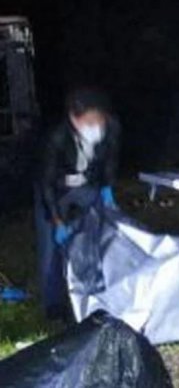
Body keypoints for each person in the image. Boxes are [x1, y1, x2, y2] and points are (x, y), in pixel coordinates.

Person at [34, 87, 120, 319]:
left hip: (87, 186)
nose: (96, 126)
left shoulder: (110, 129)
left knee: (99, 230)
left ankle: (98, 288)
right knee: (50, 249)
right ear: (74, 118)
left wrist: (107, 191)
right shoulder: (57, 138)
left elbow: (110, 163)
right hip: (56, 190)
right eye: (90, 121)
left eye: (99, 119)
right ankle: (54, 306)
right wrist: (57, 220)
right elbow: (47, 183)